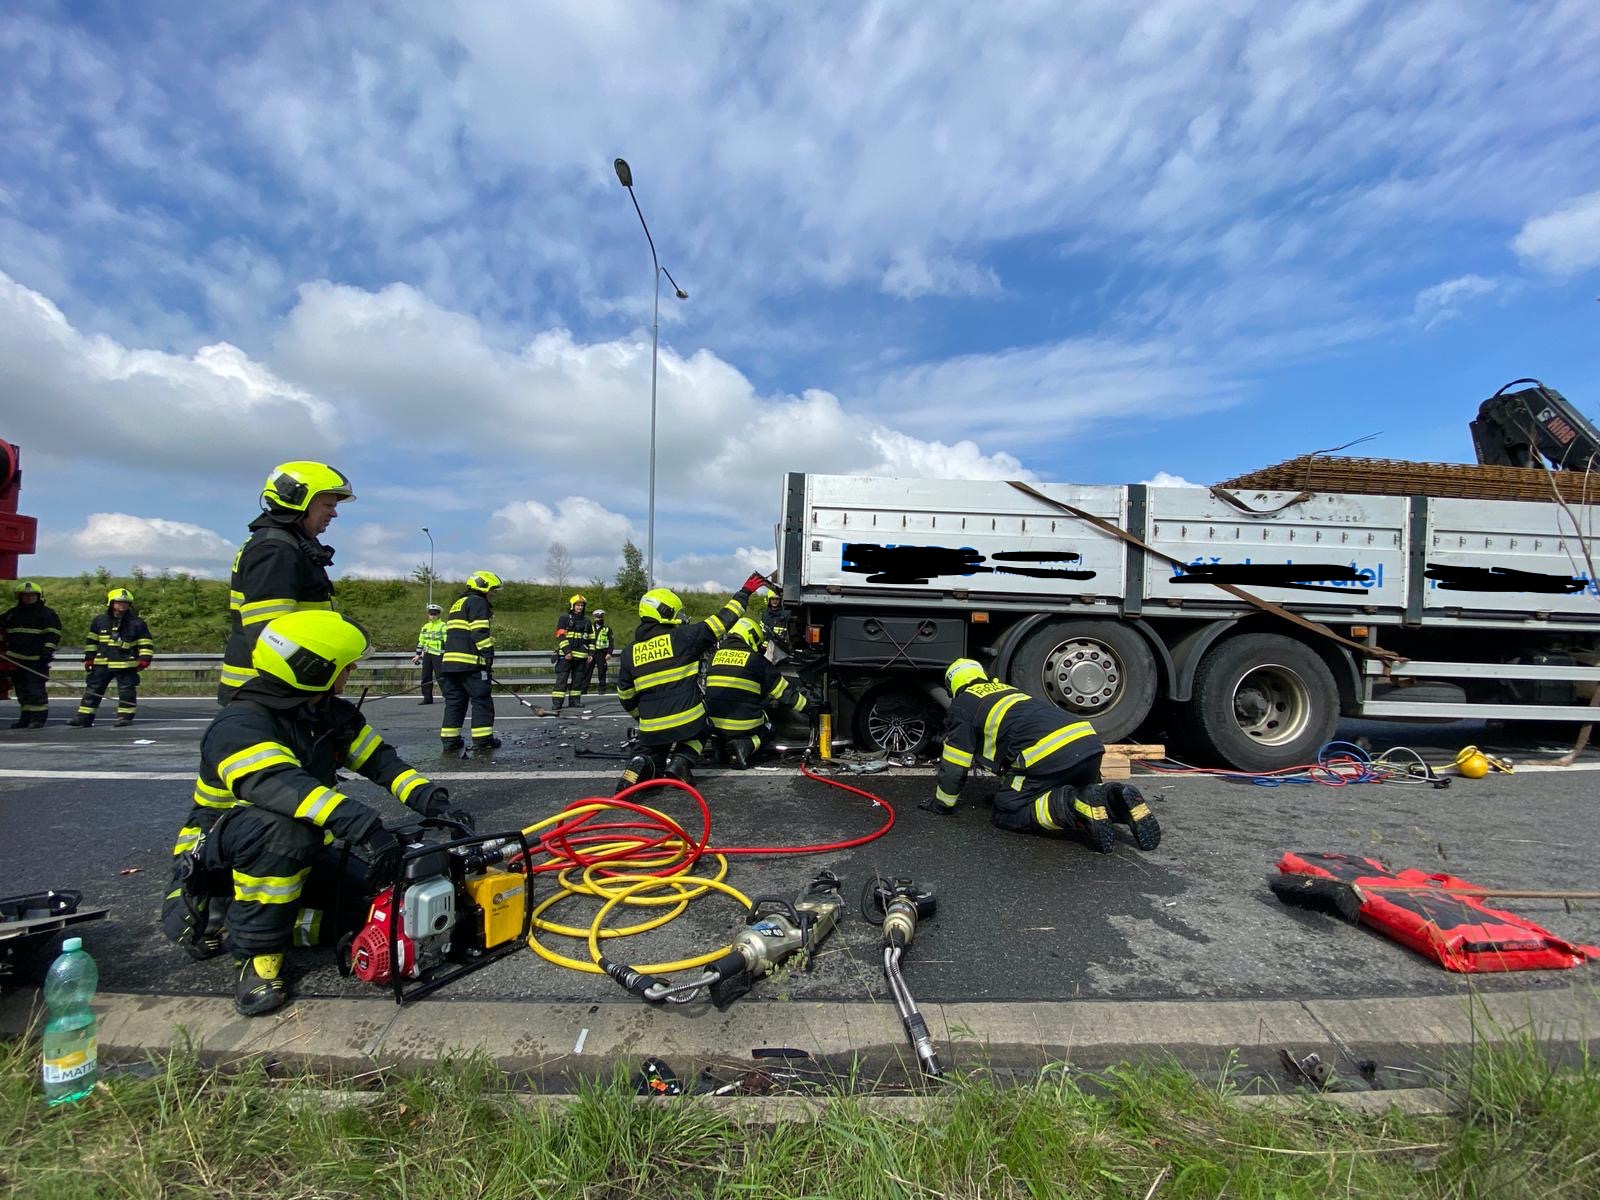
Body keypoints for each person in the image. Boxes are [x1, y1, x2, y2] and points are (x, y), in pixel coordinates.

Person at [159, 610, 474, 1015]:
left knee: (382, 909)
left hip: (304, 850)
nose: (352, 672)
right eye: (345, 666)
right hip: (227, 860)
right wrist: (367, 828)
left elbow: (382, 763)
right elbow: (286, 789)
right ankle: (256, 958)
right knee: (284, 830)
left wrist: (436, 803)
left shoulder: (325, 713)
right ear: (312, 669)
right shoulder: (241, 725)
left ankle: (270, 923)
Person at [927, 658, 1160, 854]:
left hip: (1049, 754)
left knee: (1007, 811)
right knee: (1083, 793)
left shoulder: (963, 705)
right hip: (1087, 743)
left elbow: (955, 764)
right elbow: (1011, 746)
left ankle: (1074, 805)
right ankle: (1116, 798)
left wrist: (943, 804)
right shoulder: (1007, 691)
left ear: (952, 684)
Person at [615, 573, 769, 791]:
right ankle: (681, 762)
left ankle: (641, 763)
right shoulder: (683, 637)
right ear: (665, 612)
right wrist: (745, 592)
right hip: (689, 722)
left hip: (650, 727)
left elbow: (625, 695)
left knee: (653, 753)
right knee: (706, 725)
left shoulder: (630, 652)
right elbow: (723, 620)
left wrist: (643, 718)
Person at [219, 461, 354, 704]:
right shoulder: (275, 550)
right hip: (269, 692)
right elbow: (269, 633)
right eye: (327, 505)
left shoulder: (287, 545)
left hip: (282, 688)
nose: (334, 513)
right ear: (299, 499)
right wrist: (313, 676)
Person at [704, 617, 809, 768]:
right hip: (742, 726)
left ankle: (720, 748)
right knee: (769, 728)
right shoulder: (756, 660)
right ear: (751, 636)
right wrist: (807, 707)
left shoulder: (714, 657)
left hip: (713, 724)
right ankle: (745, 746)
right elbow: (783, 693)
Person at [68, 589, 153, 728]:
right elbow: (92, 641)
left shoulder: (136, 623)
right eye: (119, 602)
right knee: (93, 690)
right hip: (102, 663)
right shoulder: (100, 621)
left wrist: (145, 658)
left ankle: (124, 717)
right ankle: (84, 717)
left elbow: (145, 642)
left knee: (126, 692)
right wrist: (89, 658)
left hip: (125, 663)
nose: (122, 605)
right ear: (111, 603)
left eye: (126, 603)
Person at [439, 570, 501, 752]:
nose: (494, 593)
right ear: (483, 586)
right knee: (481, 700)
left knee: (454, 702)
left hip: (450, 664)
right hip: (471, 663)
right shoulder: (478, 602)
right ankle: (483, 740)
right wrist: (488, 656)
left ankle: (450, 741)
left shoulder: (458, 603)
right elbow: (479, 632)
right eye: (493, 589)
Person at [0, 581, 62, 728]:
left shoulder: (47, 614)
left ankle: (38, 719)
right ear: (19, 597)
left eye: (32, 595)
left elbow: (53, 635)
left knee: (36, 690)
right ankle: (25, 718)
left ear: (38, 596)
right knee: (22, 691)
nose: (28, 598)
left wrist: (47, 651)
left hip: (36, 660)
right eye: (25, 595)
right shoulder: (12, 614)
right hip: (15, 660)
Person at [553, 594, 594, 710]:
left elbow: (591, 638)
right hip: (566, 656)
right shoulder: (564, 618)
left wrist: (591, 654)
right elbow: (560, 635)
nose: (580, 607)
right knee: (562, 680)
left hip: (581, 656)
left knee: (577, 681)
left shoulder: (587, 621)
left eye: (582, 605)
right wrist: (567, 652)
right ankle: (557, 703)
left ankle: (575, 701)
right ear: (572, 606)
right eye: (578, 605)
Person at [412, 603, 446, 705]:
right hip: (427, 655)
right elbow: (421, 642)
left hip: (438, 655)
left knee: (441, 676)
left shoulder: (443, 626)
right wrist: (418, 655)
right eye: (431, 614)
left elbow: (447, 641)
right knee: (426, 676)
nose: (432, 616)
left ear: (439, 615)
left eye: (435, 614)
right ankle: (427, 698)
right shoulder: (425, 627)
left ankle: (449, 696)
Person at [759, 593, 790, 661]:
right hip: (766, 646)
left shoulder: (786, 614)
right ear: (769, 600)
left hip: (781, 646)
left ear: (780, 600)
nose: (775, 601)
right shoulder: (765, 614)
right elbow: (762, 631)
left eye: (777, 599)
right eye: (772, 599)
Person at [589, 609, 614, 694]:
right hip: (590, 653)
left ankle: (602, 689)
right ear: (594, 618)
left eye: (601, 617)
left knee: (602, 671)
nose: (599, 619)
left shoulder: (607, 629)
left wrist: (609, 653)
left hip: (601, 653)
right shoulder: (589, 628)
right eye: (598, 617)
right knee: (587, 671)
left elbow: (611, 641)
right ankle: (583, 689)